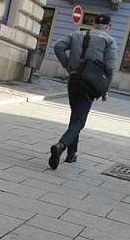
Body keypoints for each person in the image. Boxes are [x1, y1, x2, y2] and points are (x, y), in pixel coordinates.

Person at [49, 14, 117, 168]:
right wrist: (105, 89)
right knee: (79, 121)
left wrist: (68, 66)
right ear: (108, 26)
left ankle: (71, 155)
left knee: (75, 116)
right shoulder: (109, 40)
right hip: (90, 83)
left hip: (74, 79)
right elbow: (110, 67)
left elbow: (58, 46)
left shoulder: (77, 34)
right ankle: (61, 145)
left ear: (93, 23)